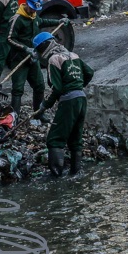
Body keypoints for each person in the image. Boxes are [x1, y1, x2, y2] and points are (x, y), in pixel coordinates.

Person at [34, 31, 93, 177]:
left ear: (44, 46)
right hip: (81, 98)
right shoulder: (73, 55)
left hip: (69, 101)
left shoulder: (53, 59)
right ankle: (76, 174)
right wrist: (78, 86)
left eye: (38, 50)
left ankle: (56, 177)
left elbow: (57, 88)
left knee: (54, 140)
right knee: (75, 138)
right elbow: (89, 72)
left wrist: (44, 105)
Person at [3, 0, 67, 114]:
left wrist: (59, 21)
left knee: (39, 86)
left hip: (33, 58)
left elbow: (42, 22)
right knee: (17, 89)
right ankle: (14, 116)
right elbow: (9, 38)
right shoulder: (17, 19)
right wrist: (25, 49)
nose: (34, 11)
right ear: (27, 4)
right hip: (19, 59)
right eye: (32, 8)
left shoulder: (34, 16)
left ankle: (38, 114)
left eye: (36, 9)